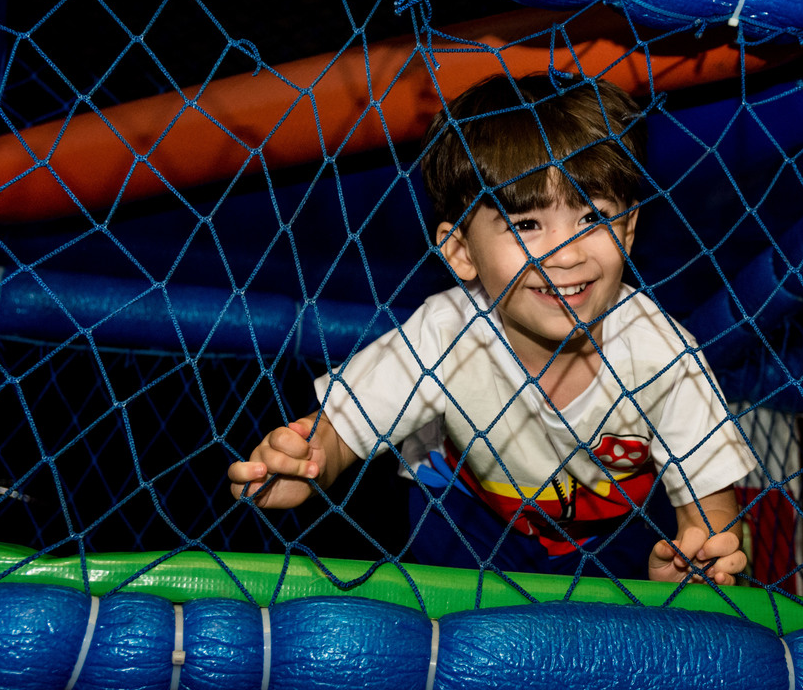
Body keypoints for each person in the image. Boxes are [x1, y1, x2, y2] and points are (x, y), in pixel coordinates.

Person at [228, 73, 757, 584]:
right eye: (527, 225)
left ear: (629, 227)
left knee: (640, 577)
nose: (567, 254)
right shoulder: (445, 331)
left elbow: (711, 511)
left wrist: (705, 555)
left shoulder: (663, 353)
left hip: (611, 528)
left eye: (592, 218)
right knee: (439, 515)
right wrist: (309, 464)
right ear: (461, 251)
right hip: (473, 514)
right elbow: (341, 428)